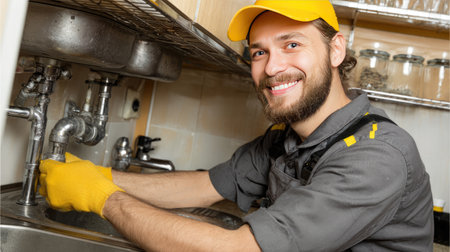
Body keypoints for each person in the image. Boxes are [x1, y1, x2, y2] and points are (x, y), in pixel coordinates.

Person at [39, 1, 434, 251]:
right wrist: (98, 176)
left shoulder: (376, 156)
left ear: (335, 50)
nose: (272, 67)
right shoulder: (286, 138)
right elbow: (204, 186)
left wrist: (104, 198)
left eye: (291, 44)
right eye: (259, 52)